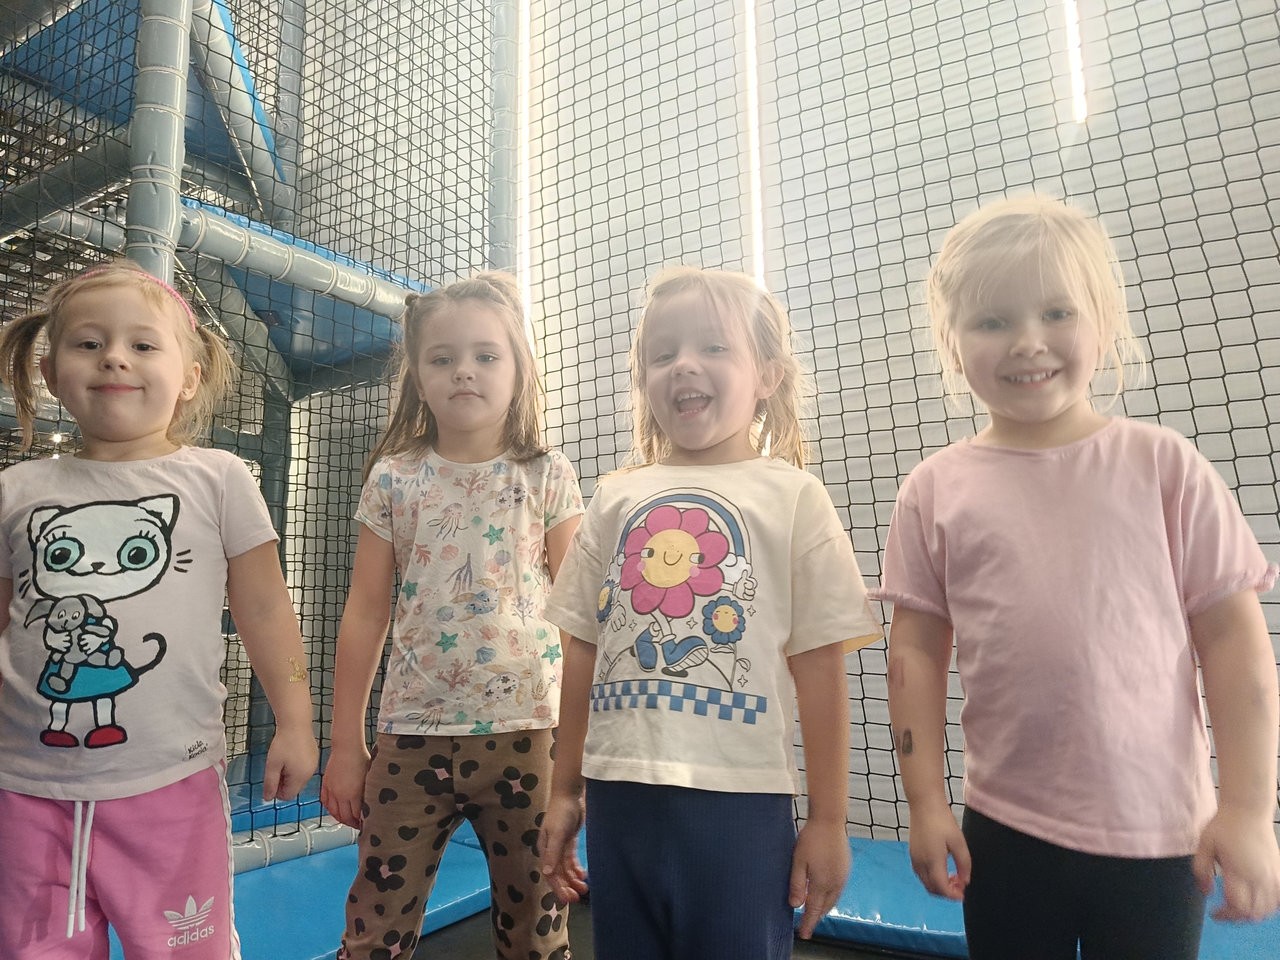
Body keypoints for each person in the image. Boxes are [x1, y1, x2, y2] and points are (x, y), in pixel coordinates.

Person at [876, 194, 1280, 959]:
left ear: (1104, 321)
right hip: (1006, 829)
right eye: (992, 321)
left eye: (1057, 312)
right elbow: (915, 655)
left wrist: (1250, 810)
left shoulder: (1164, 467)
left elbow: (1235, 646)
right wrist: (925, 805)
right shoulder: (934, 491)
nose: (1028, 341)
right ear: (952, 344)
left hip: (1159, 834)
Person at [539, 266, 883, 959]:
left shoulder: (793, 497)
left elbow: (819, 666)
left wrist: (829, 820)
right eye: (662, 354)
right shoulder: (615, 497)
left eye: (713, 347)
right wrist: (564, 788)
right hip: (619, 792)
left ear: (768, 375)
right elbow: (581, 647)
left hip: (740, 799)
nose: (683, 365)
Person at [0, 260, 319, 959]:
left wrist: (296, 722)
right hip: (25, 787)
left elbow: (265, 610)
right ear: (51, 373)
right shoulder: (17, 489)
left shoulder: (217, 478)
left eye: (142, 344)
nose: (114, 356)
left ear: (189, 377)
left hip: (170, 785)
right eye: (89, 343)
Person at [320, 271, 584, 960]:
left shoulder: (546, 474)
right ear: (418, 375)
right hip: (412, 736)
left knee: (535, 930)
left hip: (526, 732)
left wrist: (582, 754)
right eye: (442, 358)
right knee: (374, 928)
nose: (464, 370)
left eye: (485, 355)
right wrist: (345, 745)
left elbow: (581, 614)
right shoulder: (395, 477)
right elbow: (364, 612)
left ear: (519, 369)